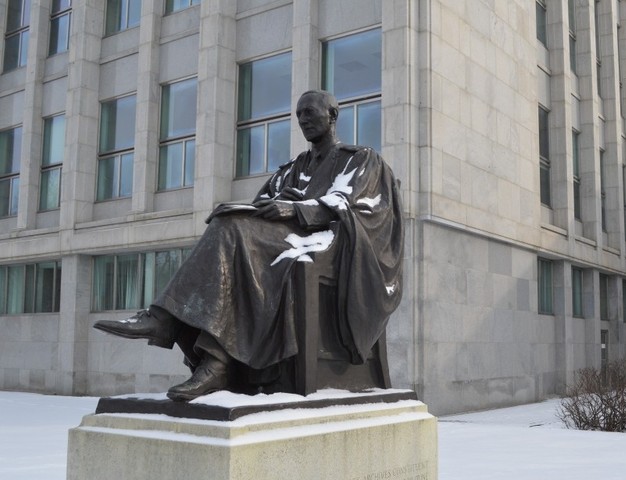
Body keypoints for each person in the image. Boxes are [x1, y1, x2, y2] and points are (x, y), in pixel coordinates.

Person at [94, 90, 404, 401]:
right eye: (298, 115)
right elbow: (263, 204)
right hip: (282, 241)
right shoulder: (293, 168)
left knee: (234, 233)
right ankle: (209, 357)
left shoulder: (360, 159)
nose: (303, 119)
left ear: (332, 115)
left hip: (328, 248)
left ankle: (179, 334)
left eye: (309, 112)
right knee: (229, 223)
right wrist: (267, 205)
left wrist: (297, 209)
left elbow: (355, 207)